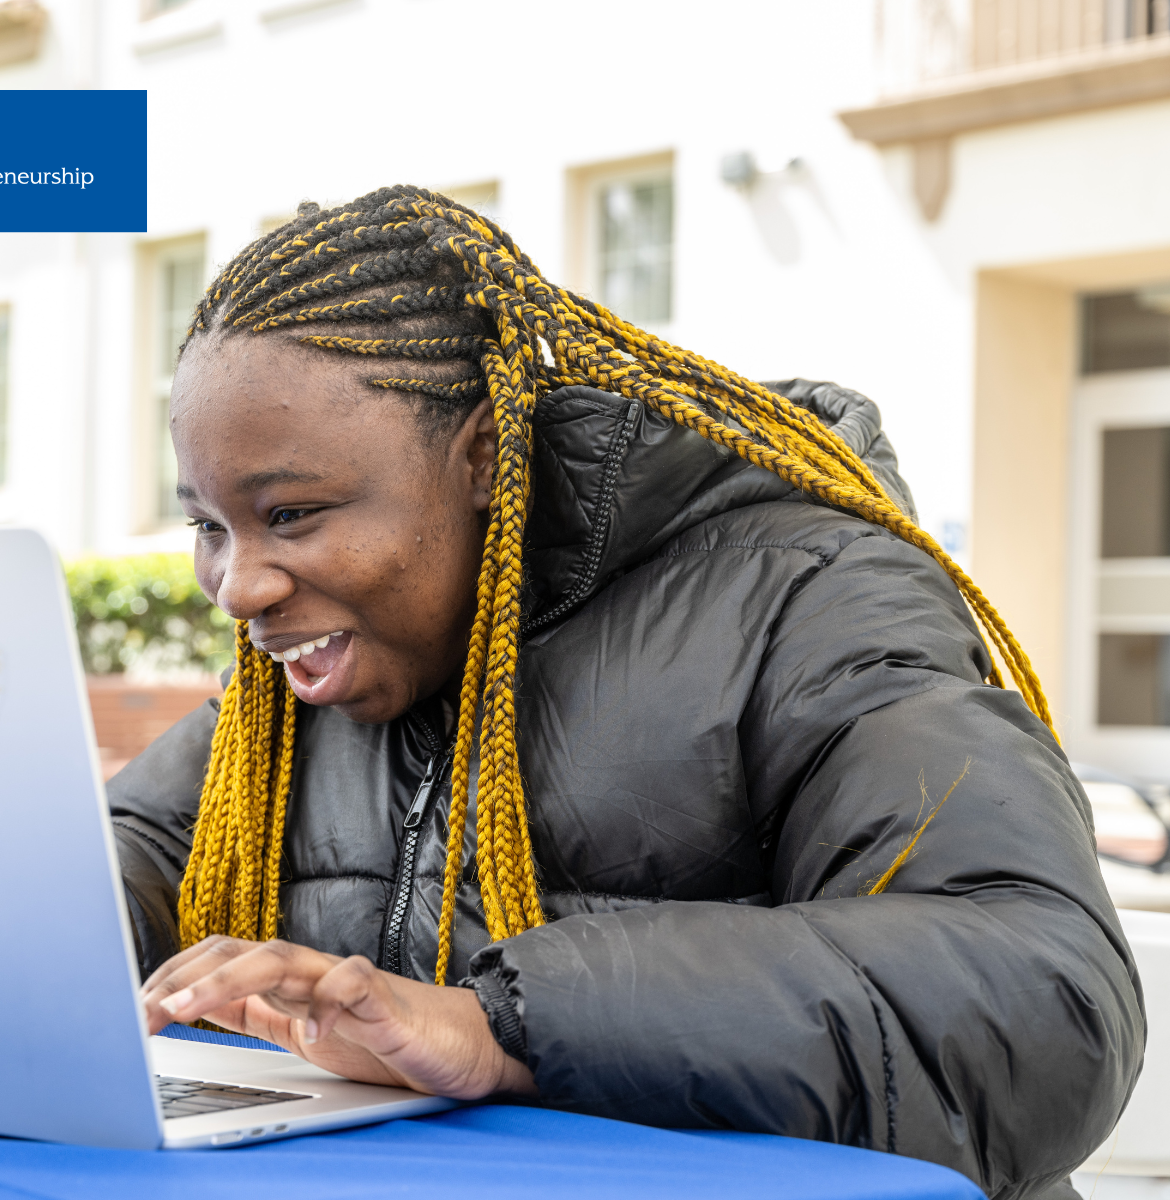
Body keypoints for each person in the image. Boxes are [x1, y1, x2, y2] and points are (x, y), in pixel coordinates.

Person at [108, 185, 1141, 1200]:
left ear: (481, 456)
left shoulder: (810, 590)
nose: (238, 585)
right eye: (208, 524)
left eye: (291, 514)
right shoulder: (309, 675)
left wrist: (504, 1024)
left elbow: (1042, 996)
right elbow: (128, 855)